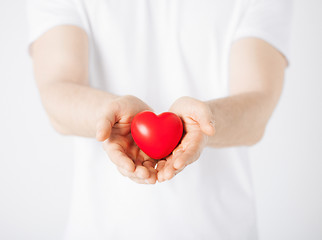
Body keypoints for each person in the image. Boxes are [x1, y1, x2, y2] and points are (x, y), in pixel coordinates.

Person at [27, 0, 292, 239]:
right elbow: (57, 90)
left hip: (222, 230)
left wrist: (206, 119)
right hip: (101, 229)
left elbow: (258, 104)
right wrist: (111, 114)